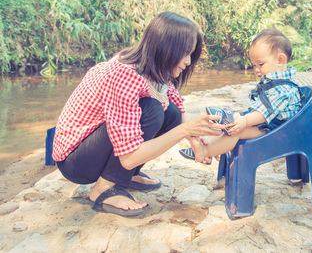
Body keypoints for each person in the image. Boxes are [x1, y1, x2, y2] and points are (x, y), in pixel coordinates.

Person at [52, 11, 228, 217]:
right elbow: (127, 157)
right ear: (166, 48)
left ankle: (126, 177)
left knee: (169, 112)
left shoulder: (151, 68)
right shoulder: (125, 76)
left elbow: (177, 106)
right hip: (76, 161)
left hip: (95, 149)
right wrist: (184, 131)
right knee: (152, 111)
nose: (189, 61)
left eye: (191, 54)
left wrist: (197, 140)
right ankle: (103, 188)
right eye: (185, 53)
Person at [179, 28, 303, 163]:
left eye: (260, 64)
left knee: (236, 130)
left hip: (280, 132)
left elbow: (264, 113)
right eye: (254, 65)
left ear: (280, 60)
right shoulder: (275, 83)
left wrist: (244, 121)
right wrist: (241, 119)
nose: (256, 70)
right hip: (270, 126)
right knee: (232, 124)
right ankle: (208, 145)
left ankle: (205, 152)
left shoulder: (284, 89)